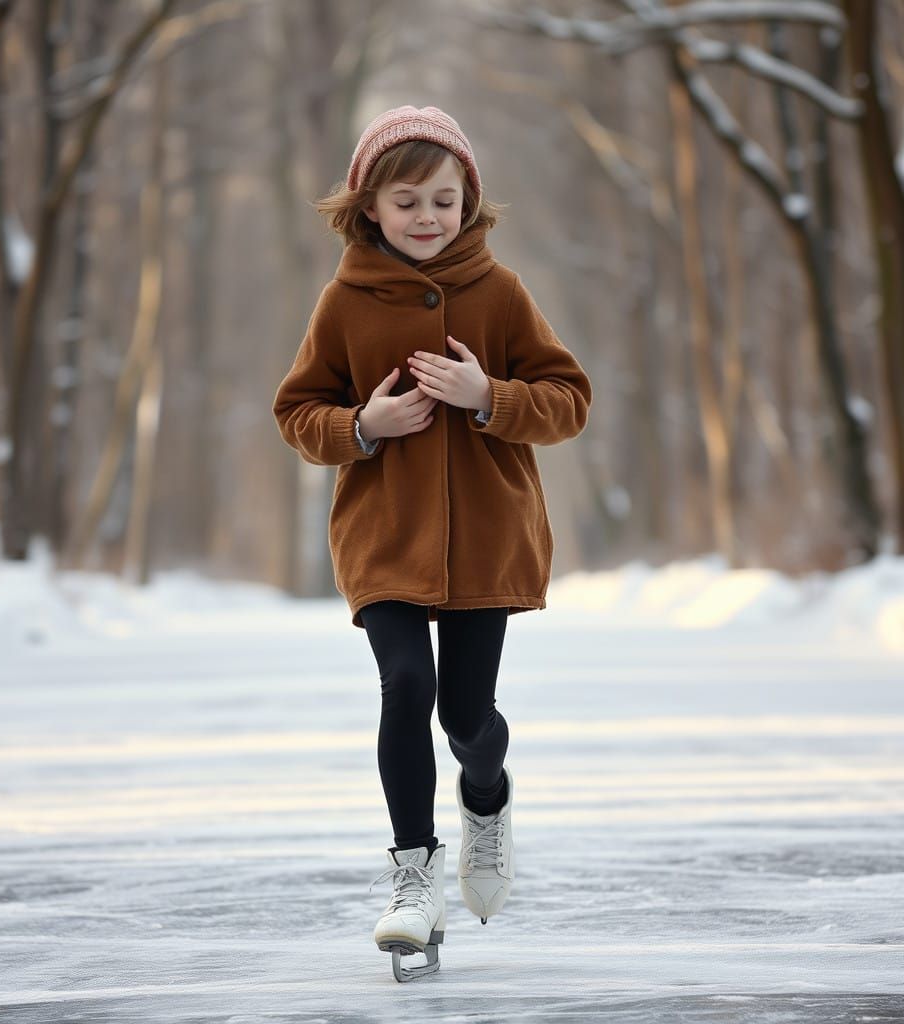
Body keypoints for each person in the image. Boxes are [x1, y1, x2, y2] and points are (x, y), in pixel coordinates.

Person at [272, 105, 592, 981]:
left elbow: (569, 399)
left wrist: (490, 395)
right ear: (370, 206)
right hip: (384, 536)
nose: (426, 217)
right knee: (406, 683)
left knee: (465, 719)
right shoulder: (343, 301)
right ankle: (414, 876)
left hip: (488, 536)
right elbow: (297, 412)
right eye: (406, 200)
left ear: (469, 201)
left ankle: (487, 796)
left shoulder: (501, 292)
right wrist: (361, 425)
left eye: (444, 200)